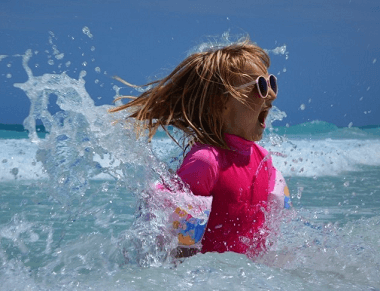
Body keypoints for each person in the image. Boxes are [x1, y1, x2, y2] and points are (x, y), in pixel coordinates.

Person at [109, 38, 289, 259]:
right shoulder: (206, 162)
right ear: (220, 102)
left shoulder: (263, 160)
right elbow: (178, 249)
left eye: (271, 83)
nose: (271, 95)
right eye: (260, 87)